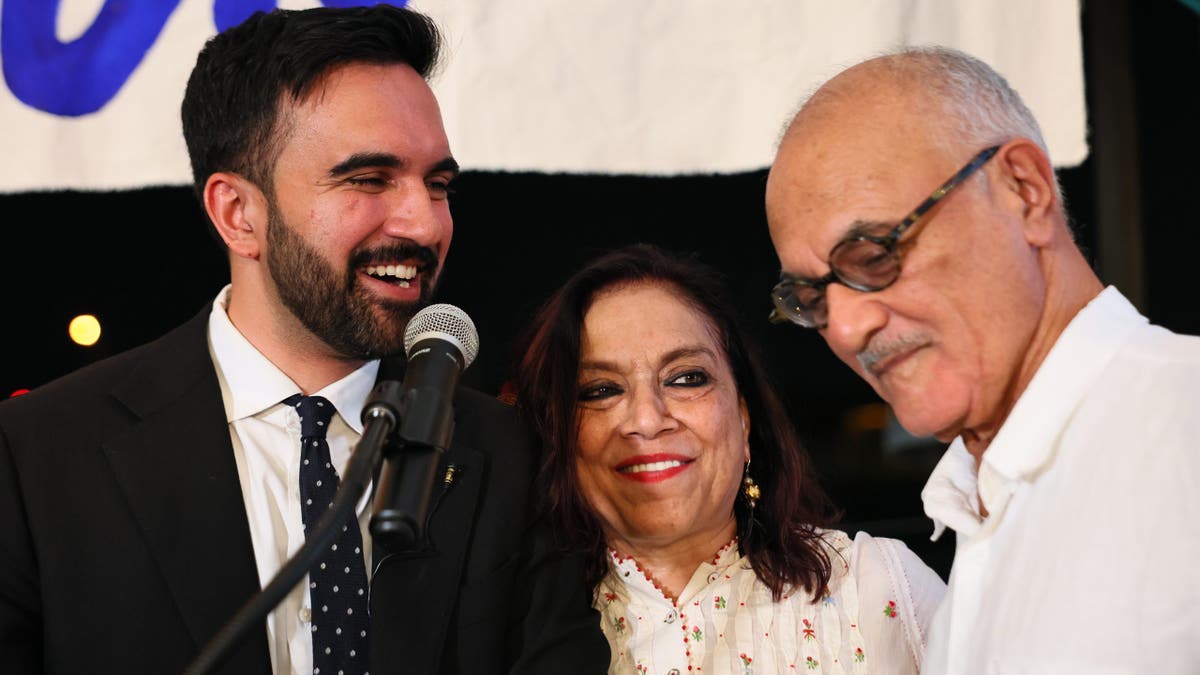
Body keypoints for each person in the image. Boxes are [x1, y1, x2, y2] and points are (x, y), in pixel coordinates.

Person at [0, 5, 609, 674]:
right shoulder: (38, 456)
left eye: (437, 184)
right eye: (368, 179)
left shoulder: (508, 454)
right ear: (239, 214)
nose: (426, 222)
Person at [764, 45, 1200, 673]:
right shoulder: (975, 510)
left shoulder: (1180, 426)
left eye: (873, 254)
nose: (850, 326)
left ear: (1024, 191)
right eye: (811, 298)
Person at [511, 243, 946, 674]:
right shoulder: (511, 626)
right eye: (601, 390)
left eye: (686, 378)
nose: (646, 419)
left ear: (743, 418)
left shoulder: (878, 587)